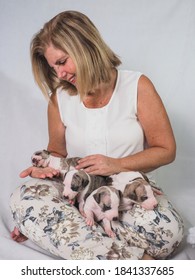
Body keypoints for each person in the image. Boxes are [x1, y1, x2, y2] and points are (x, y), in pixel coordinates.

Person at [10, 10, 184, 260]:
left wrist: (117, 164)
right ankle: (133, 263)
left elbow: (166, 149)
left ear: (85, 47)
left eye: (62, 62)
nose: (60, 74)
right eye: (53, 67)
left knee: (169, 234)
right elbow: (57, 154)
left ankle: (64, 233)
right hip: (79, 189)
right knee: (23, 197)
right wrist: (44, 169)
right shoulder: (59, 99)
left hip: (128, 188)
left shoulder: (137, 86)